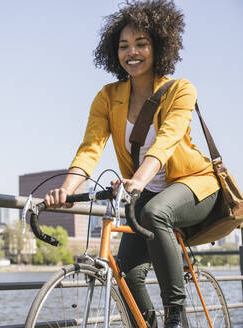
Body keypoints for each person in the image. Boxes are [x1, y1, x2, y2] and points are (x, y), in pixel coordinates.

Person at [43, 1, 219, 327]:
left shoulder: (180, 90)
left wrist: (137, 179)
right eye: (124, 46)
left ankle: (175, 315)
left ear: (159, 46)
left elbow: (166, 140)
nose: (131, 52)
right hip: (145, 194)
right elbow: (90, 149)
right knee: (124, 273)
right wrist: (65, 191)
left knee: (155, 212)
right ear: (114, 51)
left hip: (196, 184)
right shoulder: (107, 97)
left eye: (141, 43)